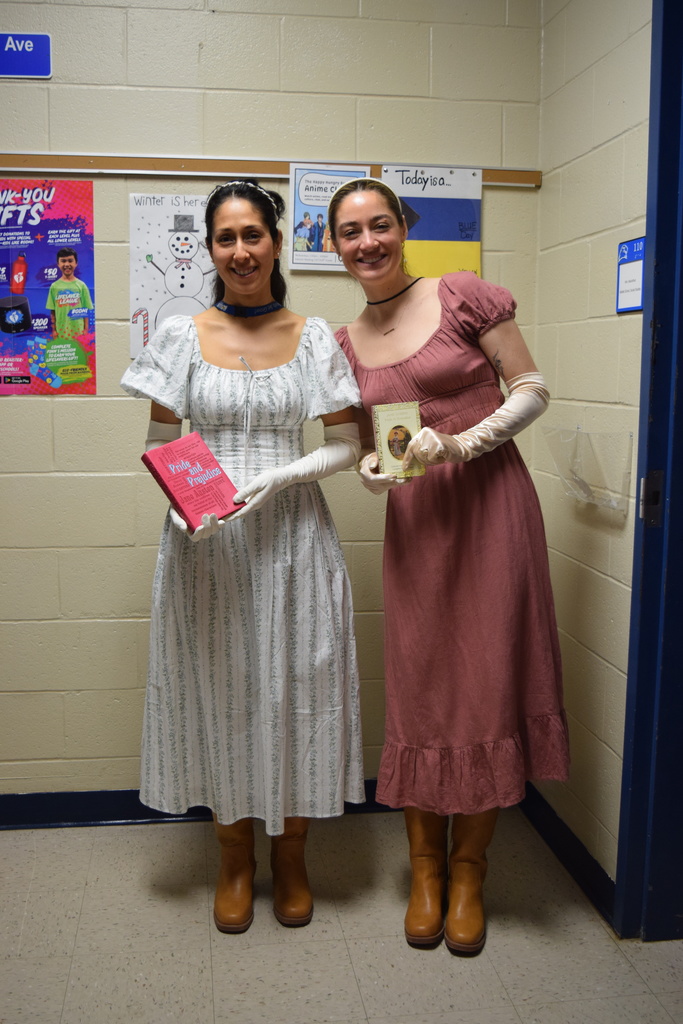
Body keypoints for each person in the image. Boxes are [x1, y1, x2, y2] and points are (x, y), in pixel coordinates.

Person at [327, 178, 570, 955]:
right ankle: (423, 870)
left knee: (487, 679)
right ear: (333, 246)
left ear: (402, 227)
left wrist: (465, 443)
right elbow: (365, 444)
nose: (367, 242)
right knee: (423, 688)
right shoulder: (342, 343)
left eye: (378, 225)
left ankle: (470, 870)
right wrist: (371, 468)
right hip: (420, 522)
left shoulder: (461, 296)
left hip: (493, 504)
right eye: (349, 232)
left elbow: (531, 390)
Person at [121, 179, 365, 934]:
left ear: (276, 241)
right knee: (219, 692)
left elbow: (346, 443)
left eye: (252, 235)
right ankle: (233, 855)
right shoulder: (178, 336)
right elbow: (164, 445)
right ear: (210, 248)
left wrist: (281, 474)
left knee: (300, 691)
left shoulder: (314, 334)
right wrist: (185, 505)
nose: (239, 252)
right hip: (207, 546)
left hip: (295, 539)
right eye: (225, 239)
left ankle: (291, 855)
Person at [46, 247, 93, 339]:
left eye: (70, 261)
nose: (67, 264)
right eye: (63, 261)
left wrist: (85, 330)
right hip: (61, 333)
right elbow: (53, 311)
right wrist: (54, 330)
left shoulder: (81, 285)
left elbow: (85, 310)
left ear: (76, 263)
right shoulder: (54, 286)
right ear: (58, 264)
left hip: (78, 333)